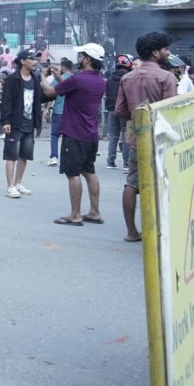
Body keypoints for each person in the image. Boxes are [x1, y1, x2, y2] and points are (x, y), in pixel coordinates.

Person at [115, 32, 177, 243]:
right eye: (166, 49)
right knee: (162, 182)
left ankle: (131, 231)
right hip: (161, 140)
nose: (168, 53)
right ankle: (159, 230)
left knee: (132, 183)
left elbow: (120, 112)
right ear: (155, 52)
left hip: (137, 139)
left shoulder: (126, 77)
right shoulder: (167, 77)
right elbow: (172, 112)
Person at [40, 44, 107, 226]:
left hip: (74, 132)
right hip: (91, 133)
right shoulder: (100, 81)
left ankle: (75, 214)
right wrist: (59, 78)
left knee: (73, 173)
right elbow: (75, 90)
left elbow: (50, 92)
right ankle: (95, 211)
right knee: (89, 171)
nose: (78, 58)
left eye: (81, 55)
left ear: (87, 59)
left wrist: (43, 78)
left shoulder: (78, 79)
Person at [0, 50, 44, 198]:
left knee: (24, 155)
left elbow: (39, 100)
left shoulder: (35, 79)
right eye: (31, 59)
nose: (35, 62)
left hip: (29, 123)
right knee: (11, 154)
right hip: (14, 122)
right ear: (22, 61)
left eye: (35, 59)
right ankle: (10, 186)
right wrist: (5, 121)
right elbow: (6, 101)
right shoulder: (13, 79)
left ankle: (18, 183)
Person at [105, 54, 133, 170]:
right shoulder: (129, 78)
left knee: (113, 136)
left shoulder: (110, 79)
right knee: (125, 136)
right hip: (124, 111)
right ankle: (126, 163)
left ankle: (110, 161)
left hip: (111, 109)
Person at [45, 58, 73, 167]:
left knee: (54, 135)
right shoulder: (75, 78)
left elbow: (50, 93)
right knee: (68, 135)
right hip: (71, 113)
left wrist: (47, 108)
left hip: (58, 111)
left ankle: (53, 157)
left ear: (63, 67)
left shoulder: (58, 79)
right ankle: (68, 157)